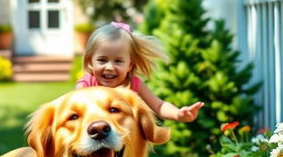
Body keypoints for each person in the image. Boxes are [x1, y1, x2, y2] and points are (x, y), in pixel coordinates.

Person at [76, 21, 204, 122]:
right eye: (102, 60)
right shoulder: (86, 84)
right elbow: (73, 107)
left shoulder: (133, 84)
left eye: (118, 61)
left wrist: (177, 114)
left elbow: (159, 106)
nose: (109, 67)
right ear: (90, 62)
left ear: (130, 65)